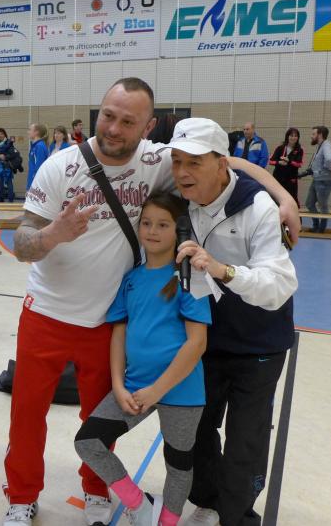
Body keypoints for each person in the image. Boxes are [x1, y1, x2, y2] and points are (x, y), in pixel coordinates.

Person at [2, 77, 300, 526]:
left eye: (128, 121)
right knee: (27, 415)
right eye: (108, 115)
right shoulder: (60, 166)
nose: (114, 128)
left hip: (111, 321)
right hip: (49, 313)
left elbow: (232, 161)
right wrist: (51, 235)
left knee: (106, 420)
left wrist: (283, 196)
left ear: (147, 128)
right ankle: (22, 496)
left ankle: (98, 490)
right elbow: (23, 242)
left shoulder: (159, 161)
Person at [163, 118, 298, 526]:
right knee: (196, 429)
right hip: (204, 340)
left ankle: (237, 516)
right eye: (177, 161)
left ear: (222, 164)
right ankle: (208, 499)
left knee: (245, 440)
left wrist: (224, 270)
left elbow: (279, 285)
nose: (182, 172)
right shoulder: (178, 198)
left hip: (258, 344)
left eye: (194, 162)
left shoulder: (259, 208)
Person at [74, 193, 211, 526]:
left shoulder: (190, 277)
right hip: (135, 386)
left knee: (178, 462)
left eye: (163, 225)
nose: (152, 231)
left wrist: (157, 391)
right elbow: (118, 334)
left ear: (178, 230)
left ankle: (167, 521)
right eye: (146, 223)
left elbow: (197, 344)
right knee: (88, 441)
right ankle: (139, 505)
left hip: (181, 390)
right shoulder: (131, 279)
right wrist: (118, 385)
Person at [302, 125, 331, 233]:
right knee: (309, 203)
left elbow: (329, 159)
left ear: (320, 135)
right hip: (317, 179)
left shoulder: (326, 145)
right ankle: (316, 225)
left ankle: (321, 228)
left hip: (324, 181)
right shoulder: (320, 145)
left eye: (313, 134)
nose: (311, 136)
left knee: (322, 205)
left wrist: (323, 169)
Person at [269, 128, 303, 206]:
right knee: (276, 199)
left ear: (298, 138)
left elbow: (299, 164)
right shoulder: (280, 148)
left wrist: (289, 161)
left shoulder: (299, 150)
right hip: (278, 178)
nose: (293, 138)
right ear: (287, 136)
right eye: (291, 135)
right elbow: (270, 161)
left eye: (295, 136)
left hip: (291, 180)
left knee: (292, 200)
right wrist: (279, 162)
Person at [0, 128, 16, 202]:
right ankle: (1, 198)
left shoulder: (9, 142)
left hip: (7, 164)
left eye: (2, 134)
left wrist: (5, 157)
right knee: (0, 181)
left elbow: (12, 153)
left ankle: (10, 199)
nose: (0, 135)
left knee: (9, 181)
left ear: (5, 134)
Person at [27, 123, 49, 190]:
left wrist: (33, 186)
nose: (28, 132)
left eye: (30, 130)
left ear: (36, 132)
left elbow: (39, 168)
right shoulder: (35, 146)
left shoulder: (39, 146)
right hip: (32, 182)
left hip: (36, 184)